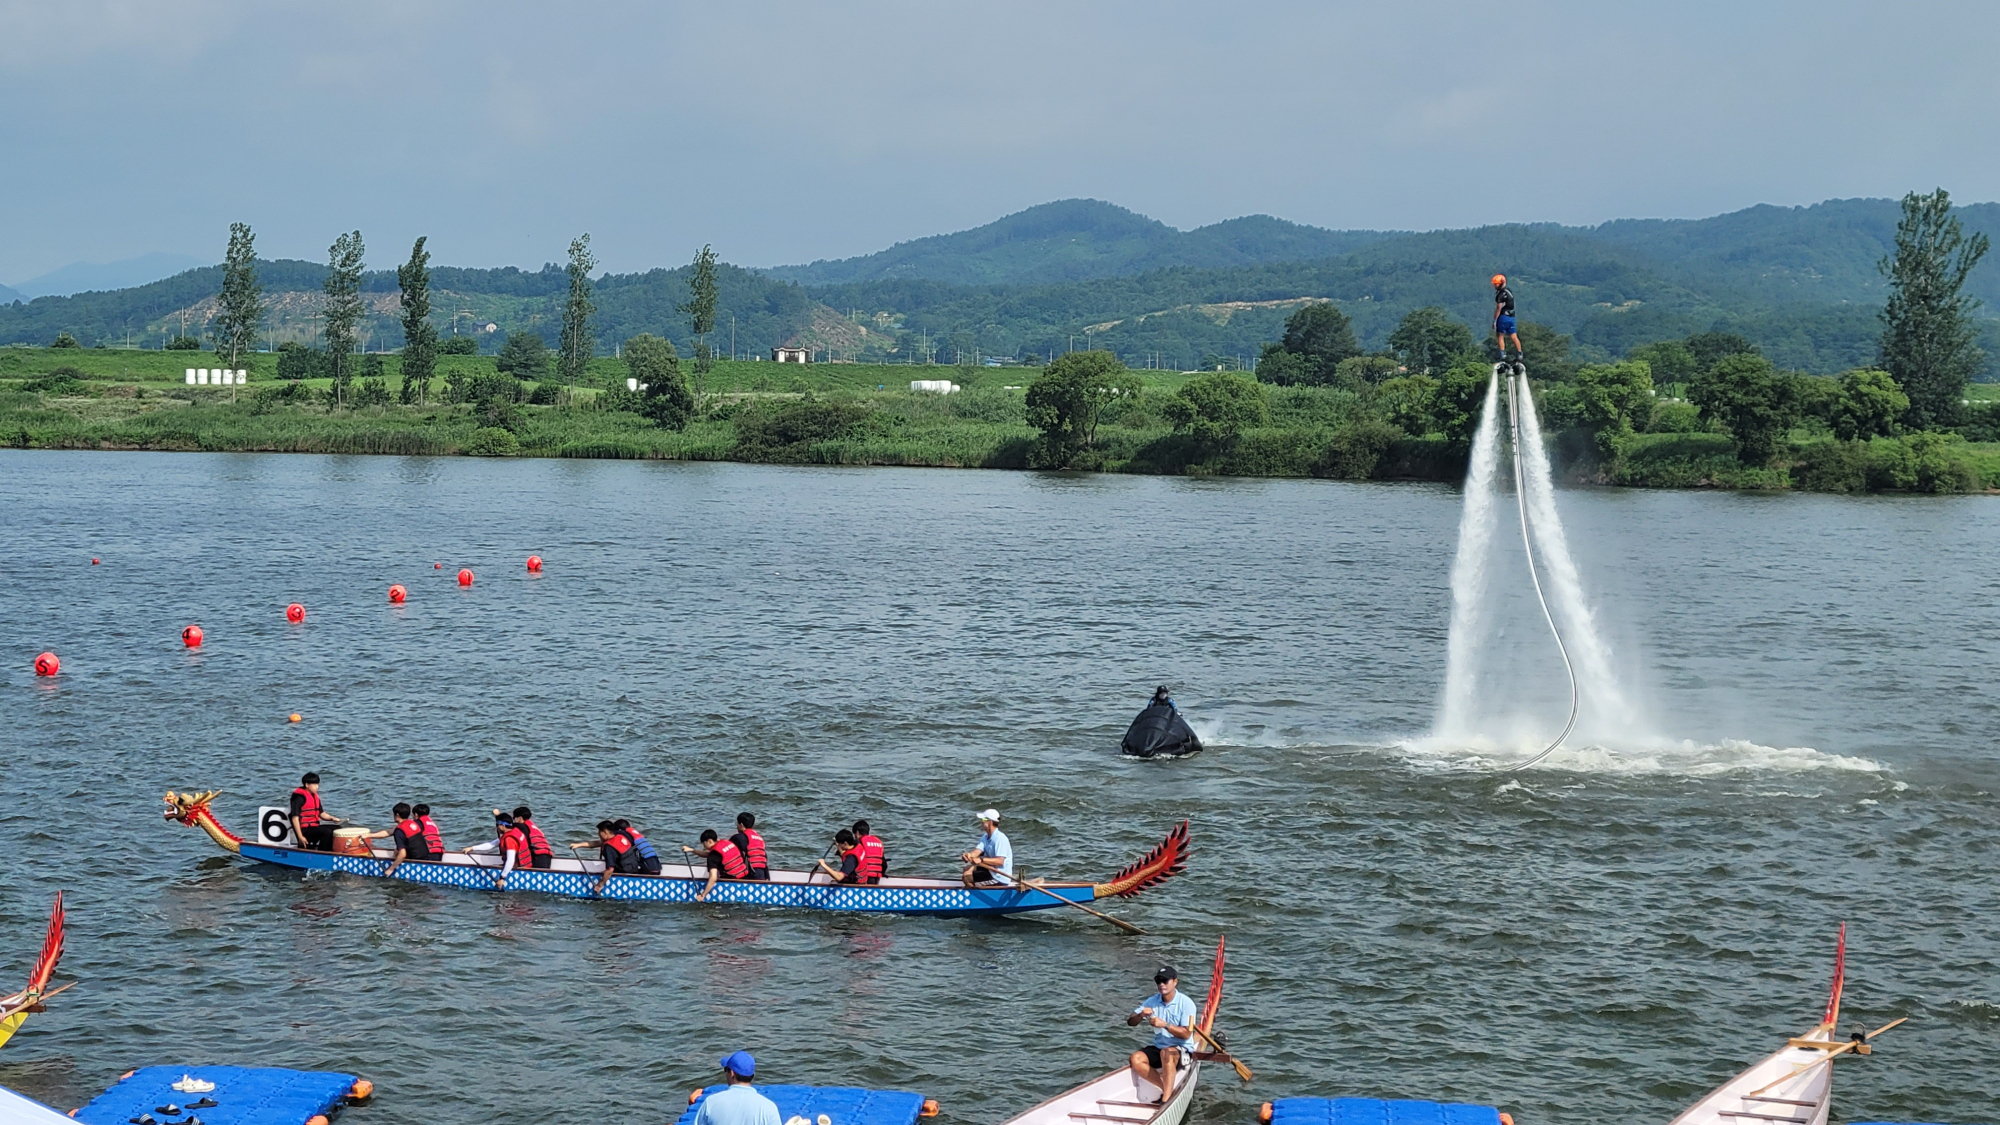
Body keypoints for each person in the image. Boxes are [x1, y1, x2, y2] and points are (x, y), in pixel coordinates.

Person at [1126, 964, 1198, 1104]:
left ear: (1175, 981)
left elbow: (1186, 1034)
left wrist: (1164, 1025)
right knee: (1136, 1059)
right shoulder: (1152, 1001)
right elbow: (1130, 1022)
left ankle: (1166, 1101)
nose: (1161, 984)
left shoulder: (1187, 1003)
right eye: (1158, 981)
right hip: (1160, 1048)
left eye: (1165, 980)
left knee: (1166, 1053)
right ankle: (1166, 1088)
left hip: (1182, 1050)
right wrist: (1140, 1015)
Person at [690, 1052, 780, 1125]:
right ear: (752, 1075)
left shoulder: (710, 1103)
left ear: (732, 1073)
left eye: (726, 1070)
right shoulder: (769, 1108)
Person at [574, 820, 641, 895]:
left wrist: (599, 885)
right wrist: (578, 845)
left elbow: (610, 870)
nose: (599, 835)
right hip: (634, 869)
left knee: (607, 871)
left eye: (599, 833)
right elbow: (596, 843)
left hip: (624, 873)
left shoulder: (609, 848)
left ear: (605, 832)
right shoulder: (620, 836)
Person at [372, 802, 433, 876]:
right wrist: (368, 835)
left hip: (416, 861)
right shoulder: (414, 823)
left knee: (399, 851)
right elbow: (388, 832)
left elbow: (403, 854)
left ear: (397, 815)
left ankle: (393, 864)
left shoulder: (399, 831)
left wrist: (391, 869)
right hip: (427, 857)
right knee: (397, 850)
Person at [691, 829, 750, 901]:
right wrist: (692, 851)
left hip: (731, 883)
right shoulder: (727, 843)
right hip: (745, 877)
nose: (704, 847)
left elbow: (713, 878)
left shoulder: (713, 856)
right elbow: (712, 855)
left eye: (704, 844)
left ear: (710, 841)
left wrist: (703, 895)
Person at [288, 772, 342, 851]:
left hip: (314, 827)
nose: (317, 787)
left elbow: (321, 813)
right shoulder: (299, 797)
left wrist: (332, 818)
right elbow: (294, 818)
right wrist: (300, 837)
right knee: (326, 832)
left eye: (317, 784)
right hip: (305, 829)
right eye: (314, 784)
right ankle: (323, 853)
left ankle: (332, 850)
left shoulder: (314, 796)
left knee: (337, 829)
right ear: (307, 785)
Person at [960, 808, 1013, 887]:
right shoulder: (985, 837)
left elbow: (1000, 861)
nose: (982, 821)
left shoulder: (1000, 838)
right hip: (991, 870)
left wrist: (981, 859)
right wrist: (969, 856)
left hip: (999, 876)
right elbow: (977, 851)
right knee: (967, 869)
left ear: (990, 822)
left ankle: (976, 896)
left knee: (967, 877)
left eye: (984, 819)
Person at [494, 814, 532, 890]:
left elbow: (510, 861)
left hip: (520, 868)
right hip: (527, 865)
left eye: (498, 825)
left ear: (503, 826)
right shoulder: (515, 831)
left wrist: (502, 878)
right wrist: (472, 848)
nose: (497, 827)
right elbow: (493, 843)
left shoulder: (509, 839)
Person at [1491, 274, 1521, 366]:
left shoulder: (1500, 294)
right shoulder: (1509, 292)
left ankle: (1502, 355)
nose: (1495, 286)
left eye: (1496, 284)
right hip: (1512, 317)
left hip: (1503, 317)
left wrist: (1495, 320)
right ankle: (1520, 354)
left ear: (1500, 284)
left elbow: (1499, 308)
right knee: (1513, 336)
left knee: (1500, 335)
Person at [730, 813, 770, 880]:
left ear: (741, 825)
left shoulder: (738, 838)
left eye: (737, 824)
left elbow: (725, 851)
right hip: (763, 875)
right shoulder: (760, 839)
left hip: (749, 876)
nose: (737, 826)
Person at [851, 819, 885, 883]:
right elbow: (884, 864)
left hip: (864, 878)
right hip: (876, 878)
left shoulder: (859, 842)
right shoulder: (878, 841)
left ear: (857, 833)